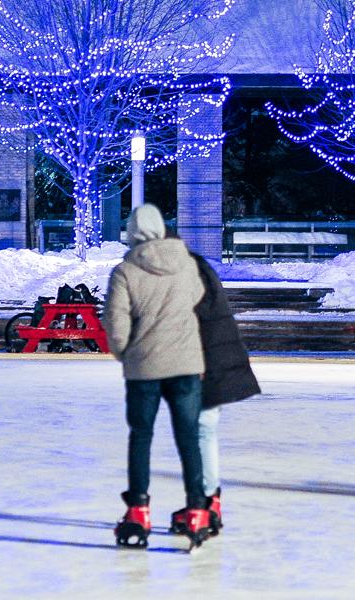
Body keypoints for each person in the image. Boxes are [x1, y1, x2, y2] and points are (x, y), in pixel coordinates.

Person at [103, 203, 212, 549]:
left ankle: (138, 511)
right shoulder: (187, 264)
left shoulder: (124, 271)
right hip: (185, 364)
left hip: (144, 368)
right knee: (188, 438)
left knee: (141, 437)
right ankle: (197, 511)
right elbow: (197, 296)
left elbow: (116, 327)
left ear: (132, 231)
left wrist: (127, 354)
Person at [169, 251, 261, 536]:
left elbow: (186, 320)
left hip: (203, 363)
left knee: (197, 433)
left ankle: (201, 505)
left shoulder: (180, 272)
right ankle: (211, 503)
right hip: (218, 361)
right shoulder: (198, 265)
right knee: (205, 431)